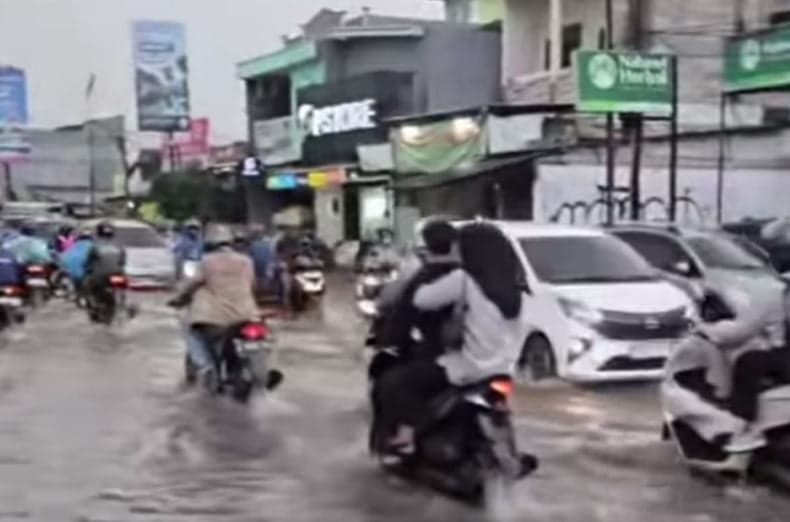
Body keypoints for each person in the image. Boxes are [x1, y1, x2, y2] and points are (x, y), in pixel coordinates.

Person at [380, 222, 529, 453]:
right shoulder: (517, 284)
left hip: (471, 367)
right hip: (506, 368)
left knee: (394, 382)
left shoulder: (465, 278)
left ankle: (406, 436)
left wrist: (427, 272)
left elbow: (422, 300)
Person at [662, 288, 787, 456]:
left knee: (749, 362)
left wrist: (703, 329)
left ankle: (741, 425)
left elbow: (737, 332)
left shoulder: (773, 293)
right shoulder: (774, 292)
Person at [170, 224, 281, 390]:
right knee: (266, 338)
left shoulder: (207, 262)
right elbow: (253, 285)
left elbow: (192, 284)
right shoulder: (246, 261)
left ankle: (207, 367)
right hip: (247, 315)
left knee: (191, 331)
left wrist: (178, 299)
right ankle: (263, 372)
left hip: (213, 319)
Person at [83, 221, 126, 317]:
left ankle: (94, 307)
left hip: (101, 277)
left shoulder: (94, 245)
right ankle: (123, 304)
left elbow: (88, 262)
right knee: (123, 288)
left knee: (87, 285)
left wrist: (87, 269)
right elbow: (122, 262)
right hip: (118, 274)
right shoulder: (119, 245)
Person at [59, 227, 94, 298]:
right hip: (85, 276)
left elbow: (62, 258)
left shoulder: (73, 246)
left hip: (72, 275)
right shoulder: (93, 246)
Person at [247, 224, 275, 295]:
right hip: (261, 266)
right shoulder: (267, 243)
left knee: (260, 279)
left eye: (257, 232)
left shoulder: (254, 244)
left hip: (259, 265)